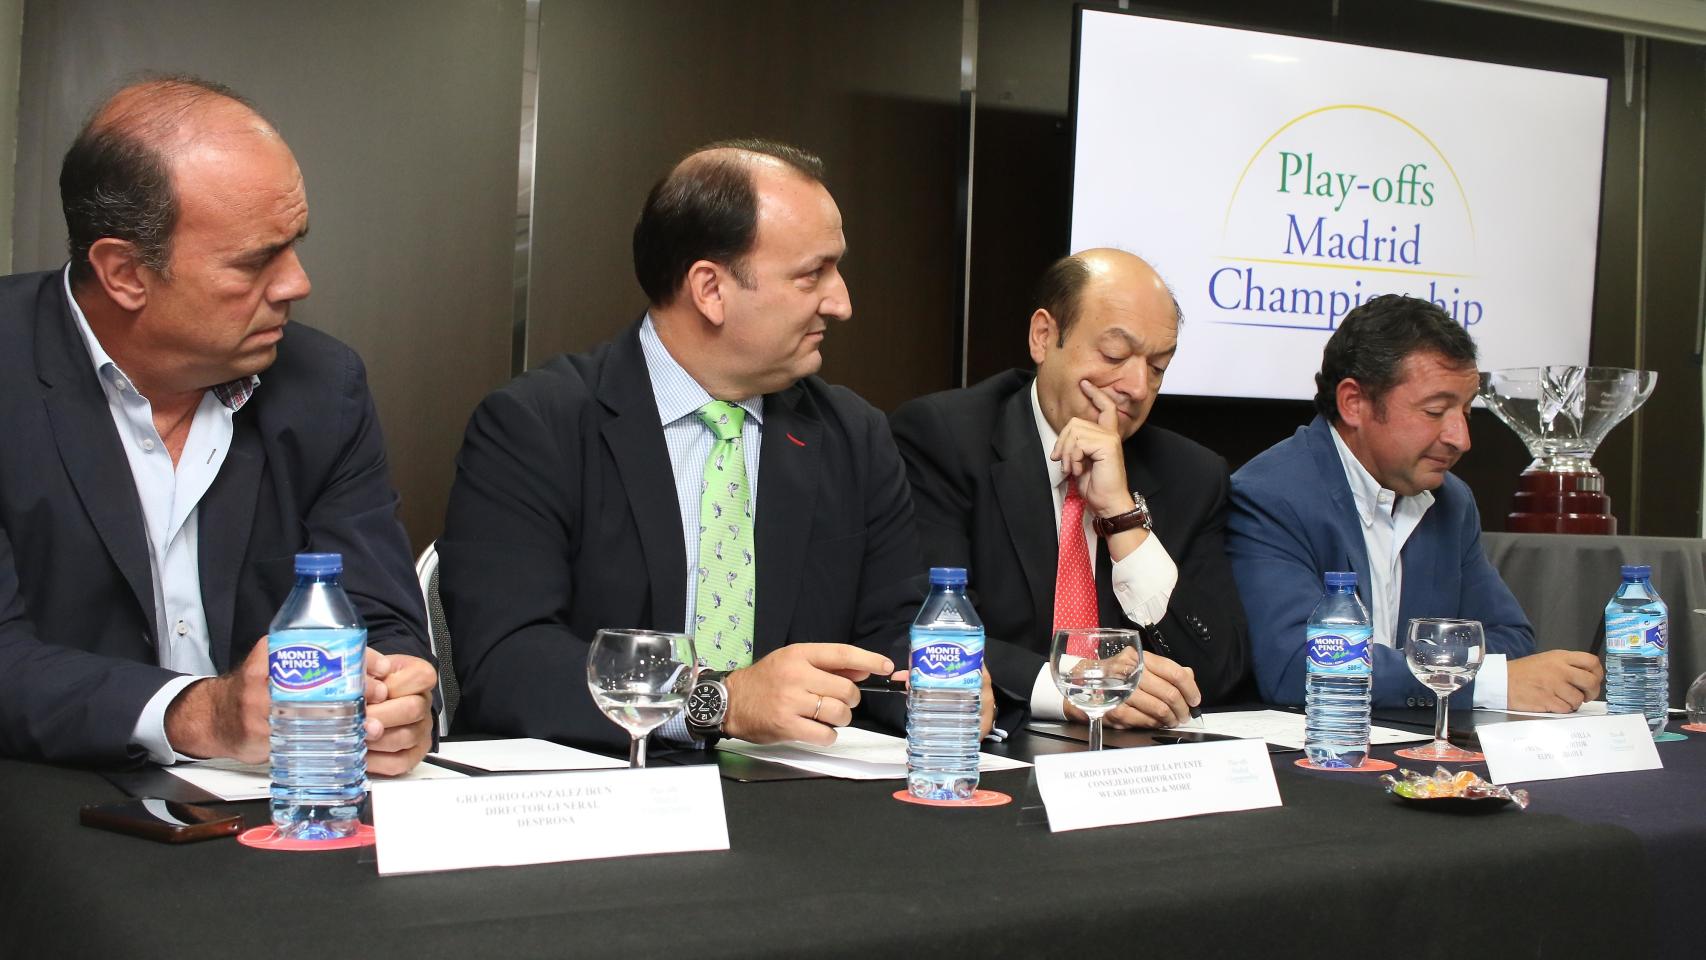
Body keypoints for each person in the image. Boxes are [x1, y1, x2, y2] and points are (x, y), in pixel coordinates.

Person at [440, 139, 990, 752]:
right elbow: (507, 663)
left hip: (796, 804)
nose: (842, 303)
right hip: (592, 795)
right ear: (710, 289)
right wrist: (716, 702)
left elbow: (889, 636)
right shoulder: (536, 425)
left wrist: (933, 684)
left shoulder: (852, 436)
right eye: (813, 274)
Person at [0, 76, 437, 770]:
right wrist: (197, 713)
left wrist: (398, 702)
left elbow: (381, 620)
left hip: (284, 809)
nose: (297, 283)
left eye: (294, 244)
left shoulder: (323, 386)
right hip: (48, 819)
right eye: (256, 261)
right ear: (124, 273)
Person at [890, 249, 1248, 732]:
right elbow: (926, 626)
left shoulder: (1191, 474)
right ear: (1044, 337)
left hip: (1136, 768)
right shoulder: (946, 439)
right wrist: (1070, 685)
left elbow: (1218, 668)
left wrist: (1121, 517)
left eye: (1159, 367)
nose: (1138, 387)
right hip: (996, 747)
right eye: (1115, 355)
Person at [1226, 294, 1603, 711]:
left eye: (1466, 412)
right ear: (1354, 403)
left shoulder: (1451, 501)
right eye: (1435, 410)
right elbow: (1298, 664)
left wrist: (1412, 671)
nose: (1461, 439)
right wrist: (1483, 683)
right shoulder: (1270, 495)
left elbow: (1509, 638)